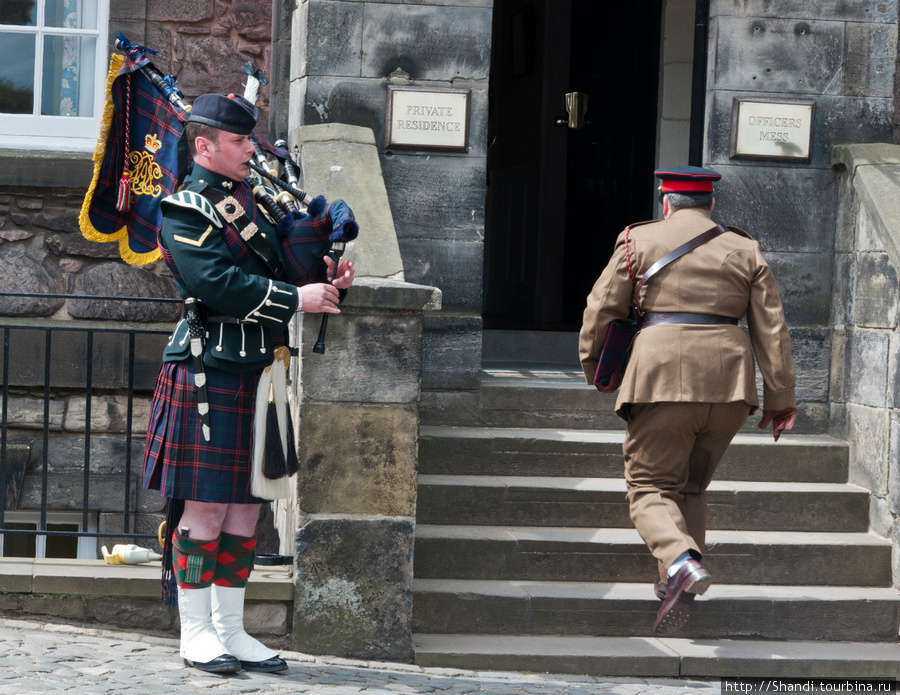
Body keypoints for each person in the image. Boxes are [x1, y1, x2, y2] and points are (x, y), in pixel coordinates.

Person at [141, 93, 355, 674]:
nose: (250, 150)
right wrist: (295, 297)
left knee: (245, 510)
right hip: (209, 369)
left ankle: (232, 631)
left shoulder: (251, 201)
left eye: (250, 141)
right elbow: (217, 285)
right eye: (239, 142)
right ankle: (195, 632)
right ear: (205, 145)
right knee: (206, 509)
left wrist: (326, 273)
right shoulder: (184, 209)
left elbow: (283, 266)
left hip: (259, 371)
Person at [579, 166, 797, 635]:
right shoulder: (745, 248)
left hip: (661, 379)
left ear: (666, 202)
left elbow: (601, 311)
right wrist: (781, 400)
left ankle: (679, 560)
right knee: (691, 488)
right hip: (731, 387)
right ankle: (678, 587)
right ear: (711, 204)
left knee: (650, 488)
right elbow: (772, 329)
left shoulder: (638, 241)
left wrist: (596, 368)